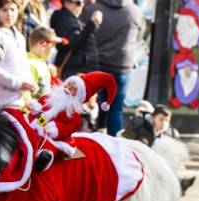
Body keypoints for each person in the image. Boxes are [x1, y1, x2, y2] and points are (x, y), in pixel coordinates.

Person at [82, 0, 143, 137]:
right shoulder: (135, 11)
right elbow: (139, 38)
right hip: (122, 66)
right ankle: (115, 145)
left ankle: (92, 144)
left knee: (92, 106)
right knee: (115, 109)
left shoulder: (92, 9)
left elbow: (83, 35)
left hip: (97, 64)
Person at [0, 0, 37, 110]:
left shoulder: (20, 36)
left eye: (12, 9)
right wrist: (17, 83)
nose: (9, 14)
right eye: (4, 10)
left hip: (18, 101)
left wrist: (31, 82)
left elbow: (24, 64)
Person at [50, 0, 102, 79]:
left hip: (75, 71)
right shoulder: (65, 19)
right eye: (78, 3)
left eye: (83, 2)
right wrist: (92, 24)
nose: (81, 6)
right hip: (72, 72)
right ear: (66, 2)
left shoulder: (68, 18)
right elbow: (74, 42)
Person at [27, 26, 63, 99]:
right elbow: (26, 96)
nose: (54, 50)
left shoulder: (41, 63)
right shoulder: (30, 64)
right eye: (52, 46)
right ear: (43, 44)